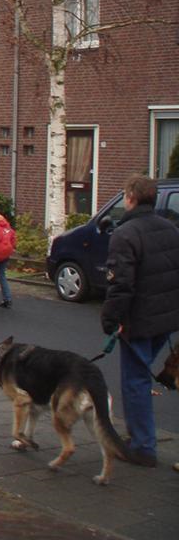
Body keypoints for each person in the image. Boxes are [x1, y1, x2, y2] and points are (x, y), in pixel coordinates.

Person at [100, 175, 179, 468]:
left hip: (139, 319)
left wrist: (111, 319)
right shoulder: (171, 229)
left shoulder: (125, 234)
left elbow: (121, 284)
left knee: (135, 380)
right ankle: (140, 437)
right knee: (141, 375)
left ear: (130, 198)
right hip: (166, 319)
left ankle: (143, 446)